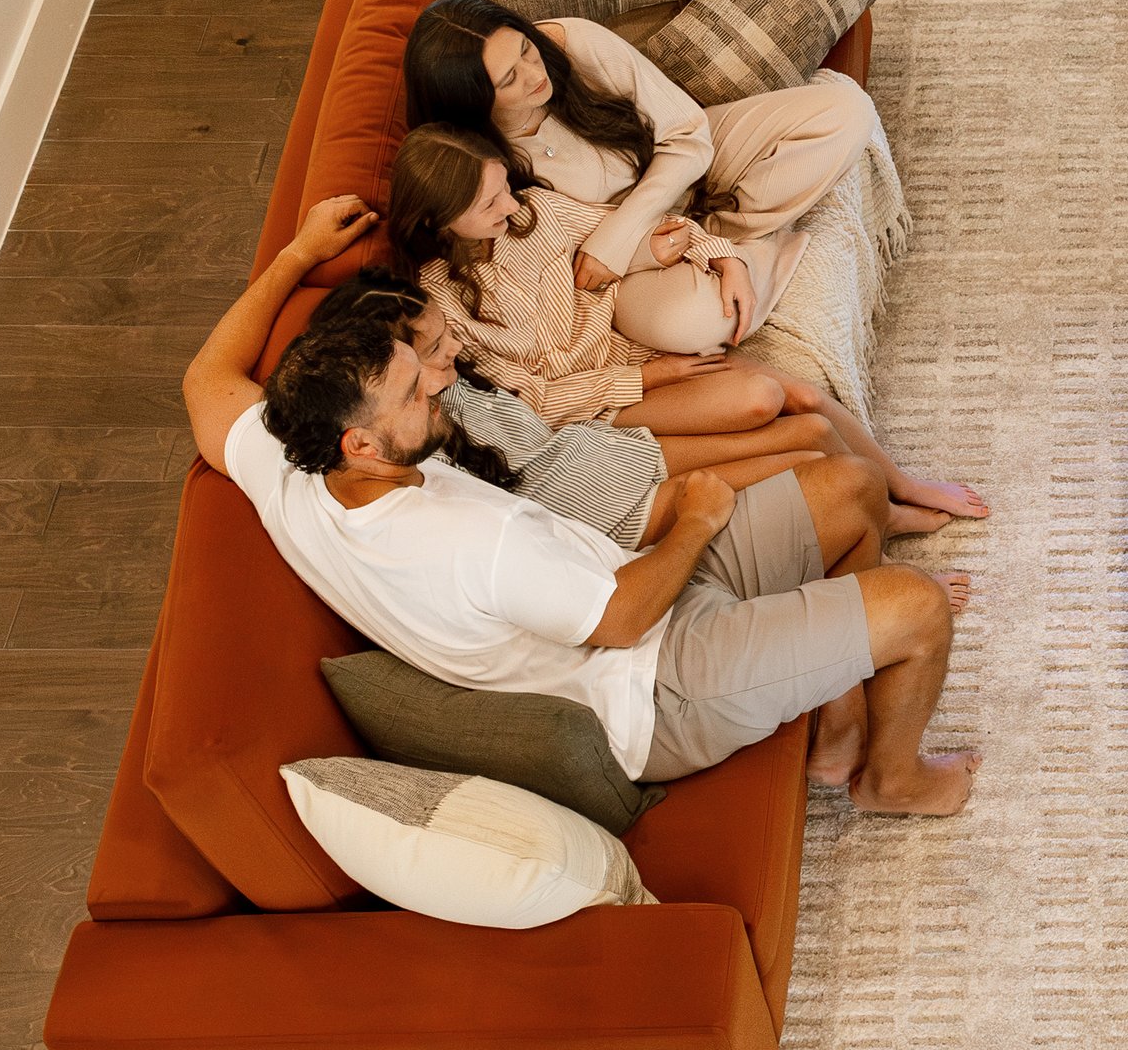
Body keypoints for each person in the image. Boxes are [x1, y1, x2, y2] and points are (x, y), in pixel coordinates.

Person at [185, 193, 981, 813]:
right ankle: (894, 782)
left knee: (851, 486)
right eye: (413, 386)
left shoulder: (291, 464)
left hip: (638, 585)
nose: (440, 382)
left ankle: (836, 713)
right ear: (360, 442)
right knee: (916, 607)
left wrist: (295, 256)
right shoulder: (465, 538)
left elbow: (204, 380)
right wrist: (698, 517)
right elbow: (625, 620)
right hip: (656, 687)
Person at [401, 0, 874, 366]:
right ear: (471, 99)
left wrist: (627, 231)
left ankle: (725, 245)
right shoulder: (471, 160)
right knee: (697, 322)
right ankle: (740, 245)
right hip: (627, 266)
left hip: (682, 172)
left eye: (526, 47)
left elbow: (688, 137)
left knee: (846, 112)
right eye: (508, 79)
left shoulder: (577, 44)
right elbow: (558, 262)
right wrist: (635, 245)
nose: (533, 72)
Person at [314, 269, 838, 546]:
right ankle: (874, 522)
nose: (452, 348)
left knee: (811, 429)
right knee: (815, 463)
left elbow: (545, 420)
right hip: (616, 510)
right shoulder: (414, 438)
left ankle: (884, 509)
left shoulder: (453, 384)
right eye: (431, 350)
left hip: (611, 455)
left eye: (447, 333)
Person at [386, 119, 821, 442]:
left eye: (504, 187)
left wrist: (726, 260)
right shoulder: (440, 306)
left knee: (807, 399)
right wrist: (648, 378)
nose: (508, 204)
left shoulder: (537, 210)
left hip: (635, 348)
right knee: (762, 400)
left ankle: (892, 496)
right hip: (599, 403)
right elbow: (531, 399)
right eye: (489, 203)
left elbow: (640, 227)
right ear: (434, 219)